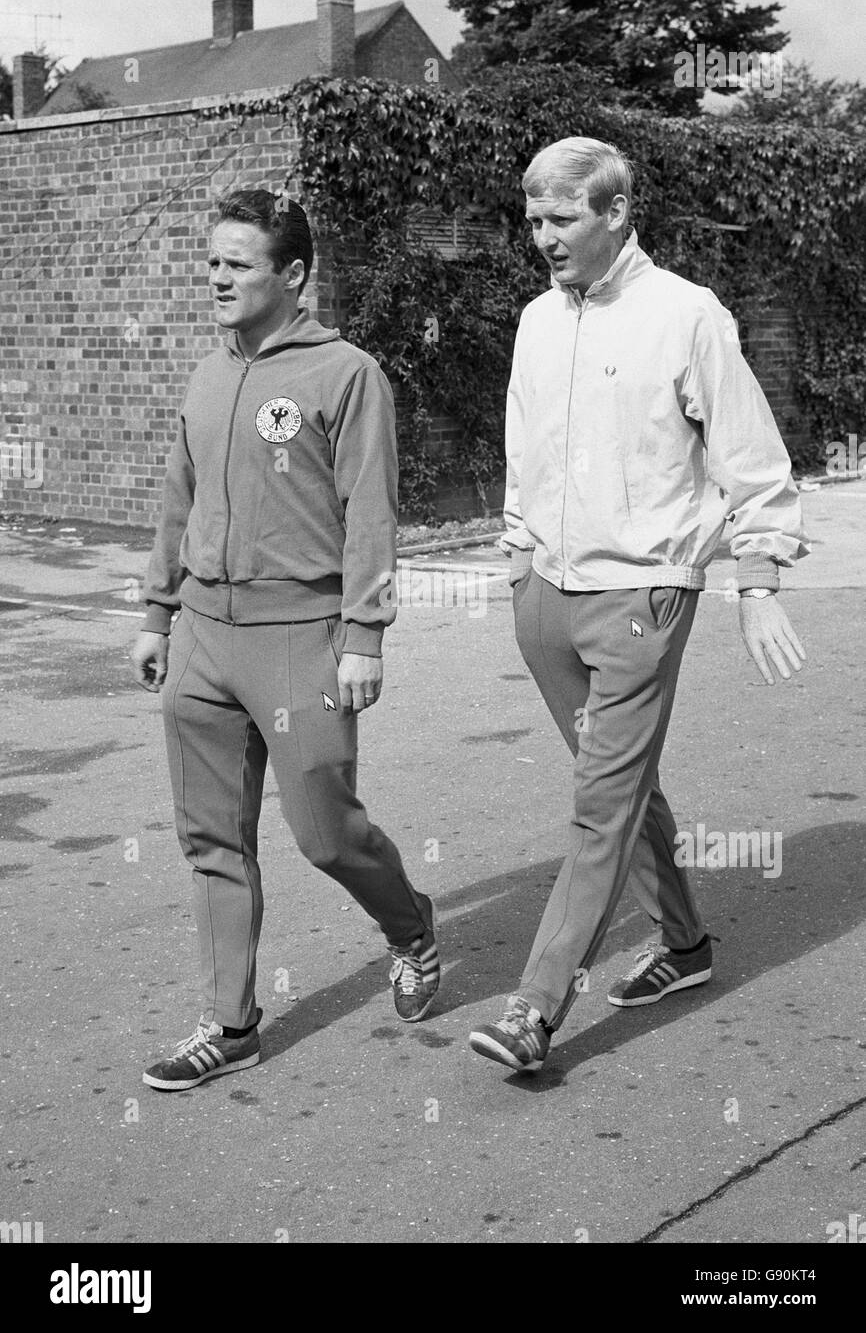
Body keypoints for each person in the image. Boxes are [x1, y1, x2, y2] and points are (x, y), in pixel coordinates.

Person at [469, 137, 809, 1072]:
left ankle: (535, 1009)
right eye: (533, 219)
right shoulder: (539, 319)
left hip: (641, 597)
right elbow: (521, 445)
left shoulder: (688, 315)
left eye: (561, 218)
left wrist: (760, 580)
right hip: (545, 593)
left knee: (597, 803)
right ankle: (686, 946)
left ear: (616, 212)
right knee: (619, 787)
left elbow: (752, 459)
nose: (542, 237)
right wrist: (515, 557)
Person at [131, 188, 438, 1091]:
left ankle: (412, 925)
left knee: (327, 837)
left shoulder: (347, 374)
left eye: (239, 262)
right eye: (213, 260)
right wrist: (157, 615)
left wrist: (365, 633)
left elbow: (372, 516)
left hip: (302, 635)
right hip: (203, 637)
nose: (217, 276)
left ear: (294, 275)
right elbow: (176, 502)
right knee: (211, 839)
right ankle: (231, 1024)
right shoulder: (207, 371)